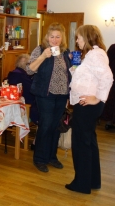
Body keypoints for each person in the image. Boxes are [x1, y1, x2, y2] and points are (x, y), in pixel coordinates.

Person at [66, 25, 113, 194]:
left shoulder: (94, 55)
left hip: (87, 105)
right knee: (89, 142)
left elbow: (107, 77)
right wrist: (75, 67)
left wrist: (97, 98)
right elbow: (88, 77)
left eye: (78, 37)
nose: (77, 40)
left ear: (86, 38)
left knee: (81, 144)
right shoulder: (94, 54)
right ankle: (92, 181)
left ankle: (82, 184)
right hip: (87, 105)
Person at [26, 22, 72, 173]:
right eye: (52, 36)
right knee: (45, 126)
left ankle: (52, 157)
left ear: (62, 38)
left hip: (62, 95)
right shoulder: (40, 49)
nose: (54, 39)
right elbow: (29, 70)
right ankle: (39, 158)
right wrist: (42, 56)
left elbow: (69, 73)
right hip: (45, 95)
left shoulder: (66, 52)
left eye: (58, 36)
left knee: (55, 127)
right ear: (47, 37)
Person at [7, 54, 39, 150]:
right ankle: (36, 142)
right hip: (25, 107)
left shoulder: (12, 74)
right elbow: (32, 91)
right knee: (45, 114)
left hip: (13, 106)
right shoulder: (23, 76)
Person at [100, 43, 115, 129]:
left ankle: (109, 121)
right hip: (111, 78)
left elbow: (107, 62)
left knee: (111, 100)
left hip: (111, 77)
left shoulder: (112, 47)